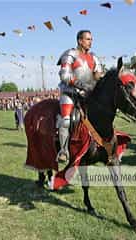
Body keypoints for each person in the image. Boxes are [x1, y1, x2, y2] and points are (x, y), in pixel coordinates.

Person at [56, 30, 103, 162]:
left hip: (88, 94)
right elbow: (64, 75)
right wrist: (81, 85)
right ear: (79, 40)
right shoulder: (70, 54)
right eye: (88, 39)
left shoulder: (94, 57)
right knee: (66, 121)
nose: (90, 42)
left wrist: (102, 80)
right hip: (70, 93)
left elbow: (97, 74)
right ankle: (63, 151)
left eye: (91, 39)